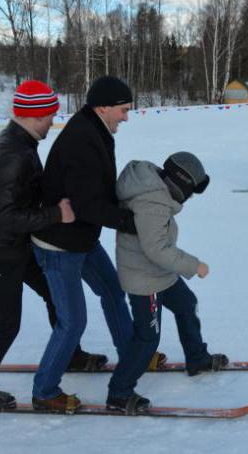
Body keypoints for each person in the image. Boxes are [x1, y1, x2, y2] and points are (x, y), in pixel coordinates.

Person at [0, 80, 102, 410]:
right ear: (35, 115)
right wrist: (56, 214)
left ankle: (72, 355)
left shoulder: (21, 143)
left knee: (56, 296)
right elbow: (4, 218)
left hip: (17, 246)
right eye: (50, 115)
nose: (53, 121)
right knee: (6, 323)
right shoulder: (13, 156)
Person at [30, 76, 144, 413]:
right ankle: (44, 390)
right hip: (59, 245)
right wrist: (129, 221)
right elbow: (85, 203)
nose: (126, 116)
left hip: (82, 237)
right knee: (73, 321)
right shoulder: (83, 139)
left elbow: (97, 191)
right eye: (123, 110)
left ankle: (131, 355)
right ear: (104, 106)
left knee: (112, 291)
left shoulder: (94, 130)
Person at [110, 152, 228, 414]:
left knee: (186, 304)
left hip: (159, 274)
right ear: (181, 185)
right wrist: (193, 265)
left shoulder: (156, 191)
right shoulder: (152, 203)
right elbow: (157, 250)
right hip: (145, 280)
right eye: (191, 192)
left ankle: (197, 358)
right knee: (147, 338)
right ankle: (119, 392)